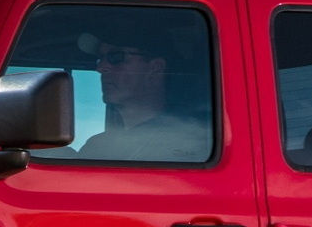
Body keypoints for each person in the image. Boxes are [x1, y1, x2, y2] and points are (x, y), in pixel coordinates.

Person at [69, 21, 211, 163]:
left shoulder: (194, 146)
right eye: (100, 59)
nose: (100, 67)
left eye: (116, 57)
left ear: (155, 67)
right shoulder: (96, 147)